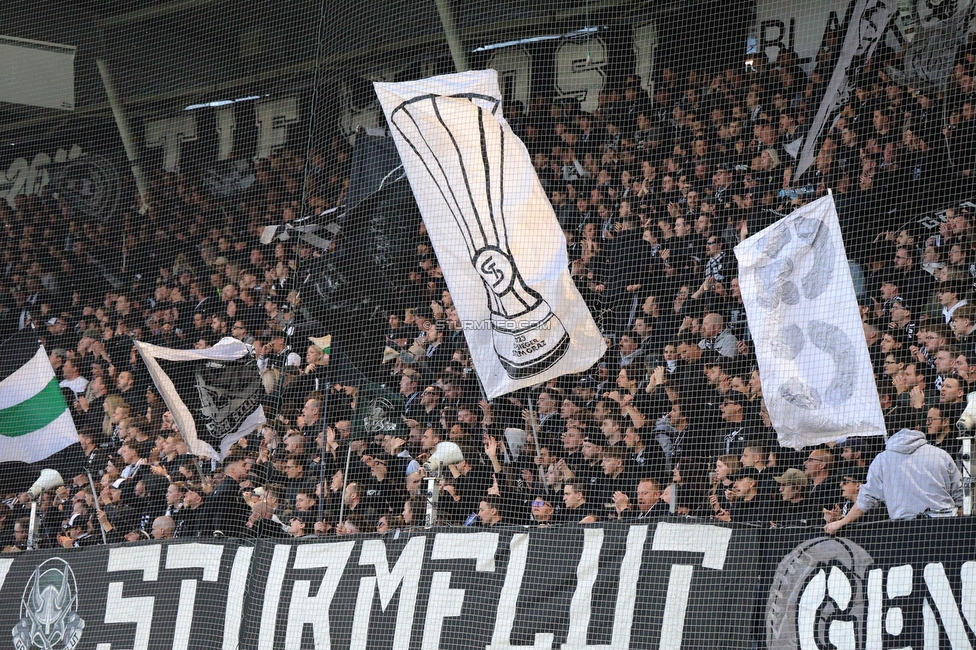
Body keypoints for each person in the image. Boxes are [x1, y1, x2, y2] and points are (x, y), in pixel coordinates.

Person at [825, 428, 963, 534]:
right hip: (946, 525)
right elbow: (959, 493)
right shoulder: (939, 454)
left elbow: (866, 499)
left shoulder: (882, 460)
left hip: (906, 529)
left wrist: (841, 523)